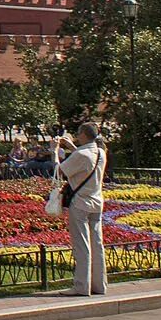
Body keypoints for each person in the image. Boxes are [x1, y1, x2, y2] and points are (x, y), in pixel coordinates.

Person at [57, 122, 107, 295]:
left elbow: (59, 170)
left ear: (84, 135)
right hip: (97, 202)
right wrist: (71, 147)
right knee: (97, 244)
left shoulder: (82, 155)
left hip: (80, 203)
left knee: (82, 245)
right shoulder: (101, 152)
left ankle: (81, 286)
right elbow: (84, 157)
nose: (77, 136)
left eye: (78, 133)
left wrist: (53, 152)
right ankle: (99, 285)